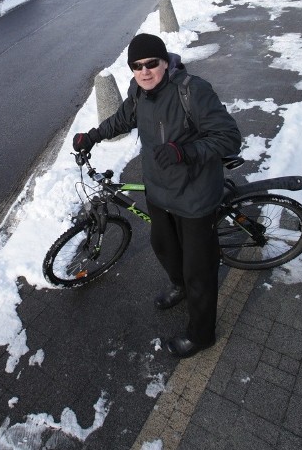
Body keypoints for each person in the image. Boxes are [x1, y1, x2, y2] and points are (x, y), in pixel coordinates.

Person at [73, 33, 241, 359]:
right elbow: (122, 119)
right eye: (137, 66)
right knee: (163, 246)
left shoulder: (192, 91)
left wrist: (185, 151)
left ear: (165, 62)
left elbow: (229, 138)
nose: (145, 71)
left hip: (194, 197)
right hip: (160, 192)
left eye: (152, 63)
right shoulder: (138, 92)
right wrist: (92, 136)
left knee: (199, 269)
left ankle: (202, 334)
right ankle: (180, 286)